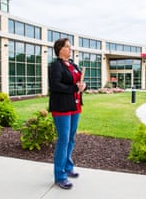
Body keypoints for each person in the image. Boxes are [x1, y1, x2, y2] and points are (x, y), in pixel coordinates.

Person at [49, 38, 86, 189]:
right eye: (67, 47)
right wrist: (74, 89)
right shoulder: (55, 66)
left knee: (71, 138)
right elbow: (55, 85)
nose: (70, 49)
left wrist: (84, 85)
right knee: (63, 140)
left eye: (70, 47)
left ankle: (68, 167)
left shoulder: (73, 65)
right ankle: (60, 175)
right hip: (61, 107)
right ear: (59, 49)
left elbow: (79, 82)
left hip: (75, 106)